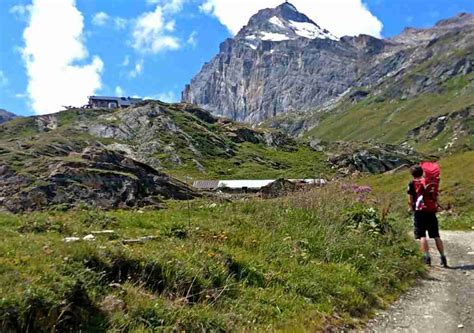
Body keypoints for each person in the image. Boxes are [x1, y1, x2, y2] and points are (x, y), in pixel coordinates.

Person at [407, 165, 448, 267]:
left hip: (419, 212)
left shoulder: (412, 183)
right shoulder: (428, 182)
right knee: (436, 236)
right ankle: (443, 257)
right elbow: (435, 196)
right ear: (422, 172)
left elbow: (410, 199)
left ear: (412, 174)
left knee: (422, 236)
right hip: (431, 211)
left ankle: (427, 258)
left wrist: (411, 208)